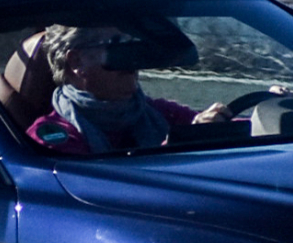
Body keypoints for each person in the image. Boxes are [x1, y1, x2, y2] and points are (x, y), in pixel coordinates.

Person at [25, 24, 233, 154]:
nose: (132, 57)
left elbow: (226, 129)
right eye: (117, 46)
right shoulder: (52, 137)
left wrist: (219, 121)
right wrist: (177, 146)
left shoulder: (158, 113)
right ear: (77, 61)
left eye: (130, 43)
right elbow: (94, 189)